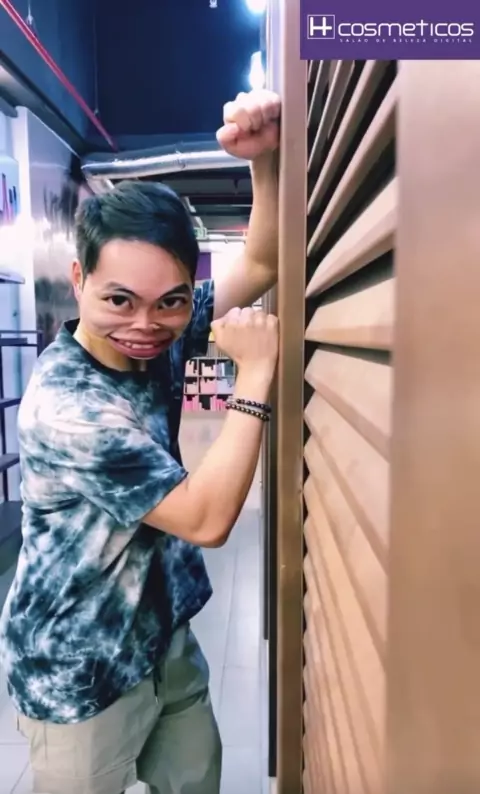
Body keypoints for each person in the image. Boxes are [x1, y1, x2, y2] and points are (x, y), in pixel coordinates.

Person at [0, 89, 281, 794]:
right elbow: (206, 520)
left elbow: (263, 262)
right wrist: (256, 374)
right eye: (118, 300)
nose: (146, 325)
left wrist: (264, 162)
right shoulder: (68, 409)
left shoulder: (157, 329)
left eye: (171, 301)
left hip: (159, 638)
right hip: (76, 670)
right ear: (79, 281)